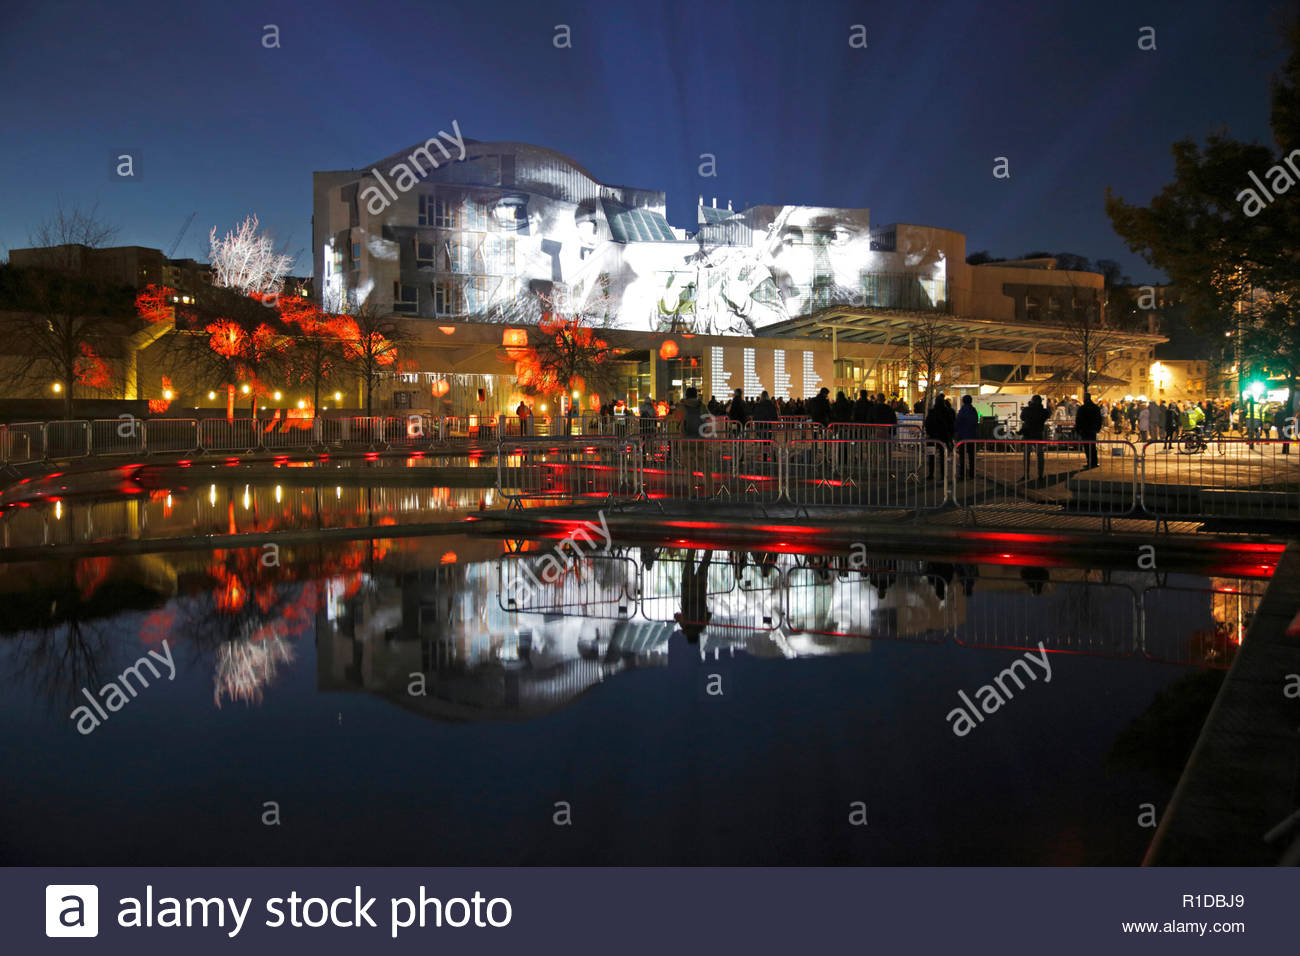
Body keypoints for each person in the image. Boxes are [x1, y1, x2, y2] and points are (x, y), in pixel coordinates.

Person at [924, 392, 955, 480]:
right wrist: (950, 435)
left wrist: (929, 432)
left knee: (931, 456)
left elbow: (927, 423)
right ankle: (943, 474)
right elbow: (950, 425)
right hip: (943, 436)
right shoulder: (946, 412)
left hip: (932, 437)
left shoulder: (932, 412)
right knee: (942, 456)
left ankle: (931, 474)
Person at [1020, 394, 1050, 480]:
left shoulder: (1027, 410)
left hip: (1028, 434)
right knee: (1040, 456)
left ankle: (1026, 474)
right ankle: (1040, 475)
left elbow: (1022, 417)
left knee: (1026, 456)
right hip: (1038, 434)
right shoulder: (1043, 411)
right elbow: (1047, 415)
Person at [1075, 392, 1103, 468]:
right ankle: (1094, 462)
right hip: (1092, 430)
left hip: (1085, 430)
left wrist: (1078, 429)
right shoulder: (1095, 407)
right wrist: (1098, 428)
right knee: (1093, 447)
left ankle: (1089, 462)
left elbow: (1078, 419)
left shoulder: (1082, 408)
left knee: (1087, 447)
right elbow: (1099, 419)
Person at [955, 394, 979, 479]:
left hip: (962, 437)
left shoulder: (962, 411)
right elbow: (976, 422)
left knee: (962, 456)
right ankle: (972, 474)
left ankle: (962, 474)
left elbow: (958, 423)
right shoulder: (973, 410)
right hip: (972, 436)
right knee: (971, 456)